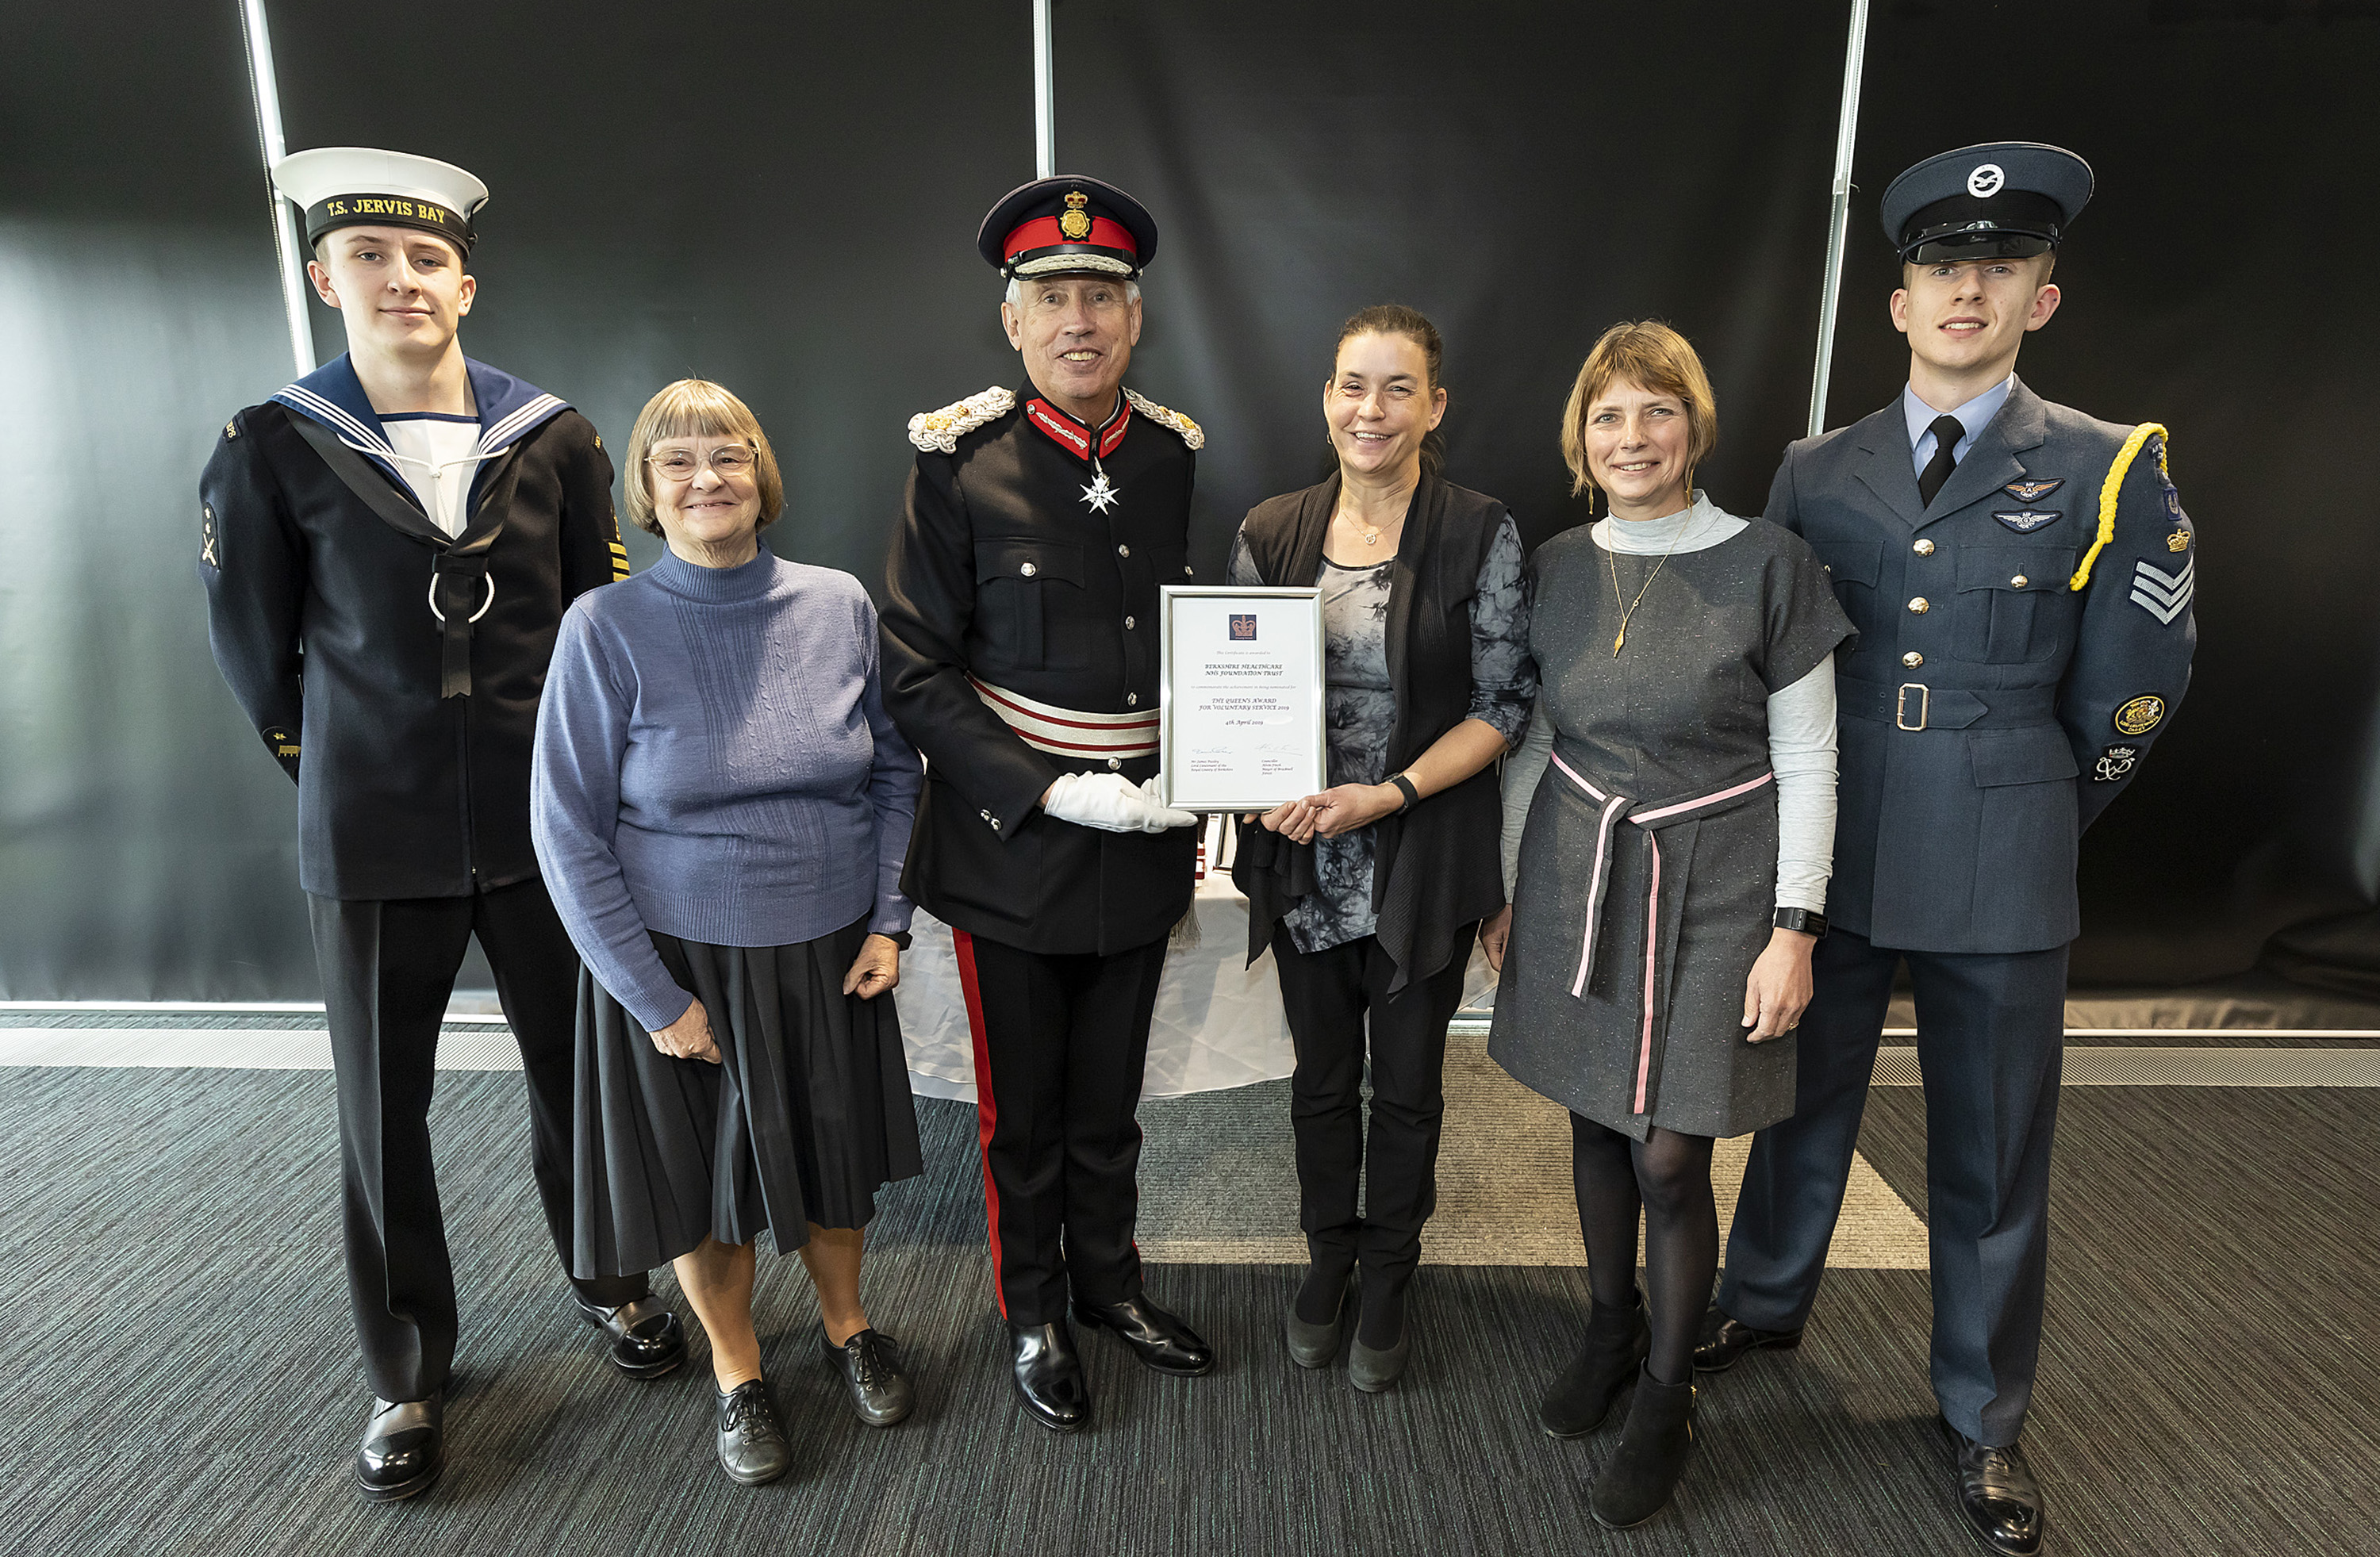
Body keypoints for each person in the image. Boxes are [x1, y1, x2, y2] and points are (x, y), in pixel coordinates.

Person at [1702, 143, 2198, 1557]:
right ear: (1899, 303)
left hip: (2004, 843)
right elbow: (1766, 667)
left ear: (2043, 296)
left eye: (1999, 267)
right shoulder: (1815, 469)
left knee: (1991, 1152)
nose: (1966, 288)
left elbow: (2130, 697)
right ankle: (1768, 1295)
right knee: (1799, 1097)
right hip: (1837, 839)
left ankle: (1983, 1415)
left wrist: (2033, 803)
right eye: (1939, 268)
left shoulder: (2110, 467)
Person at [198, 147, 682, 1503]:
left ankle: (612, 1277)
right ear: (323, 277)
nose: (401, 280)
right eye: (370, 258)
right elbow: (257, 659)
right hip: (370, 834)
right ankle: (407, 1368)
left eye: (425, 260)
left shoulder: (560, 437)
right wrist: (340, 770)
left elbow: (605, 628)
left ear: (465, 281)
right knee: (381, 1114)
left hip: (551, 831)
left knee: (578, 1077)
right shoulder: (273, 445)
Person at [1485, 320, 1853, 1528]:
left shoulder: (1771, 562)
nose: (1631, 437)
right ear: (1580, 440)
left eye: (1655, 411)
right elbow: (1535, 739)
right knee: (1597, 1114)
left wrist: (1795, 928)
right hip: (1575, 864)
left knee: (1669, 1148)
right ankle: (1607, 1327)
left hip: (1722, 881)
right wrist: (1503, 886)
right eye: (1607, 417)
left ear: (1692, 425)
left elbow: (1809, 756)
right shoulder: (1553, 561)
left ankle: (1663, 1394)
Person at [531, 379, 926, 1486]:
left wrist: (890, 922)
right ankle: (738, 1370)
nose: (707, 479)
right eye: (678, 463)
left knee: (836, 1165)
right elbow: (566, 832)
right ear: (648, 494)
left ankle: (851, 1330)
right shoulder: (603, 627)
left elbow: (898, 773)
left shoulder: (840, 604)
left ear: (764, 475)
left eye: (730, 456)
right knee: (706, 1186)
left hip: (833, 946)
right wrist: (652, 999)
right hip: (680, 961)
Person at [879, 175, 1213, 1434]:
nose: (1079, 318)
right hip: (1009, 844)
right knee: (1021, 1108)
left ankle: (1112, 1286)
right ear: (1012, 324)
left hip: (1143, 839)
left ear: (1136, 320)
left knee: (1110, 1098)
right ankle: (1032, 1308)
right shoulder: (958, 461)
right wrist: (1047, 786)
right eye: (1051, 298)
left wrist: (1202, 766)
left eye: (1102, 297)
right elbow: (911, 670)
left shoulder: (1173, 458)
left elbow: (1186, 649)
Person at [1228, 305, 1534, 1390]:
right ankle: (1329, 1258)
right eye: (1355, 385)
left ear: (1434, 406)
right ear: (1327, 397)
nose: (1373, 409)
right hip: (1305, 856)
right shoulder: (1272, 530)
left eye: (1399, 388)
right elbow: (1237, 700)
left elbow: (1505, 706)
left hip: (1422, 853)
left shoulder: (1478, 529)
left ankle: (1393, 1270)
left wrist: (1385, 794)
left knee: (1406, 1085)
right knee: (1321, 1080)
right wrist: (1254, 787)